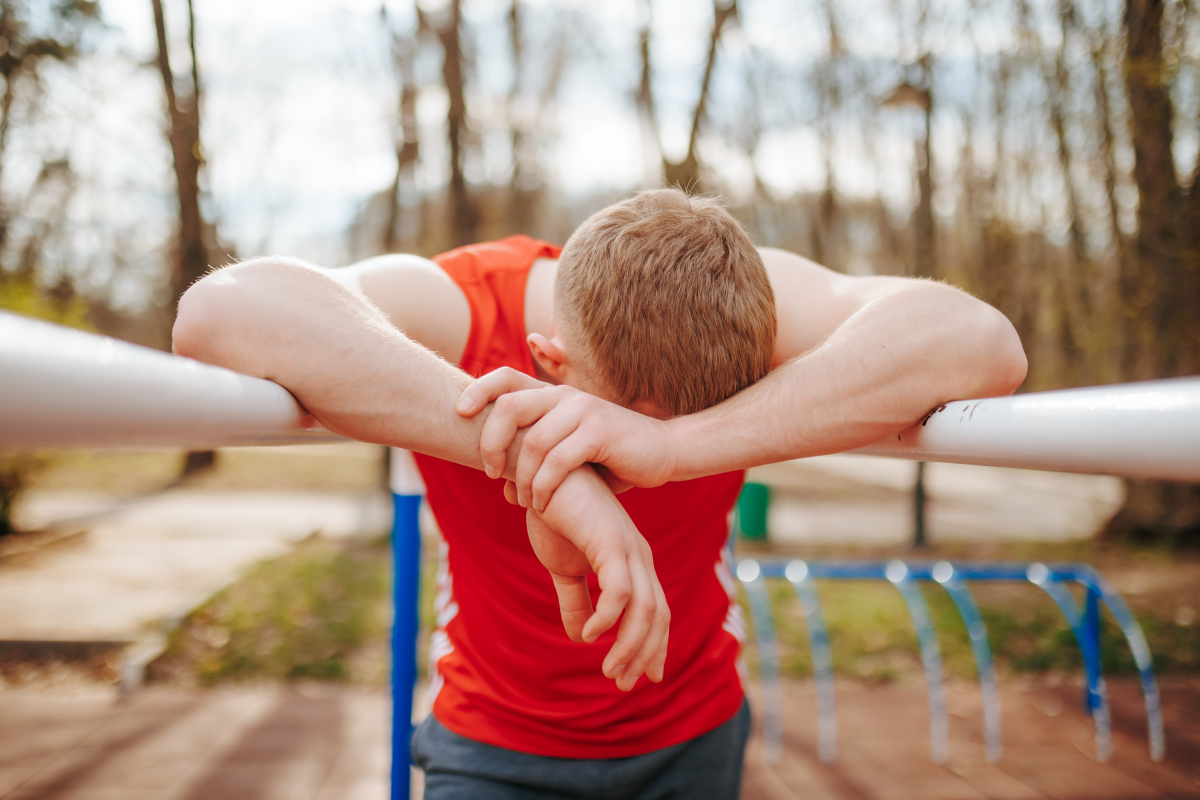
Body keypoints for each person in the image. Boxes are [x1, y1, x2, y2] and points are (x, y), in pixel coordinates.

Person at [172, 188, 1026, 799]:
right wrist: (553, 469)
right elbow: (221, 315)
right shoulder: (465, 304)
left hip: (694, 728)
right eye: (608, 429)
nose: (630, 467)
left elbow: (981, 342)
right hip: (494, 740)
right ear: (548, 362)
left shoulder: (737, 293)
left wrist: (669, 446)